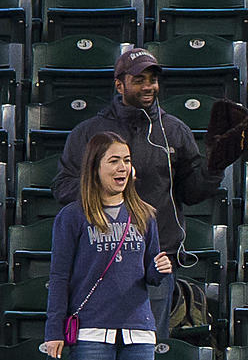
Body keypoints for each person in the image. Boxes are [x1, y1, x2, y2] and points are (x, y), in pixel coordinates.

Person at [52, 48, 229, 339]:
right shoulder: (90, 132)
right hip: (99, 257)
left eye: (153, 80)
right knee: (99, 351)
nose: (148, 86)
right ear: (119, 84)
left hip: (156, 260)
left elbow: (192, 191)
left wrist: (215, 167)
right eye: (139, 79)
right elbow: (62, 187)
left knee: (147, 352)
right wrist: (107, 187)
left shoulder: (174, 130)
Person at [44, 132, 172, 360]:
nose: (122, 168)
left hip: (138, 331)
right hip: (90, 331)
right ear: (95, 168)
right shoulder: (72, 216)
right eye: (114, 161)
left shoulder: (145, 214)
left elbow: (149, 274)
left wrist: (159, 269)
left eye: (126, 160)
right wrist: (54, 331)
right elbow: (59, 278)